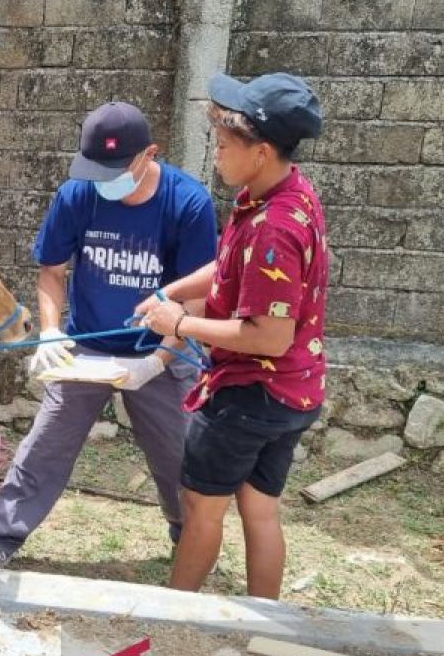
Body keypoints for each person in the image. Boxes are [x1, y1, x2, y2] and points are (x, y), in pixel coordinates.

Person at [0, 102, 218, 569]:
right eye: (96, 170)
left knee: (179, 455)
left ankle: (189, 540)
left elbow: (195, 302)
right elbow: (51, 271)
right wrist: (49, 332)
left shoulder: (188, 204)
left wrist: (156, 362)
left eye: (116, 169)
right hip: (86, 346)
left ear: (150, 155)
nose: (105, 181)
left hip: (158, 350)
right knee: (45, 445)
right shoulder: (77, 195)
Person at [138, 73, 326, 600]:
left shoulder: (274, 227)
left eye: (223, 146)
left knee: (201, 507)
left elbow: (268, 336)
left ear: (261, 151)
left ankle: (175, 612)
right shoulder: (285, 194)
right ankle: (264, 614)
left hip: (249, 394)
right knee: (260, 508)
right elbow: (228, 266)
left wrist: (179, 324)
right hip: (294, 390)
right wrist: (169, 293)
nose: (215, 155)